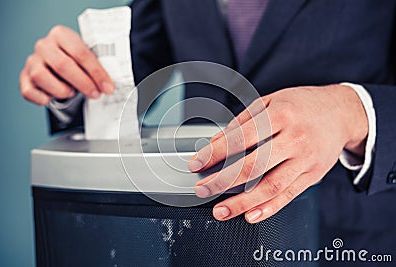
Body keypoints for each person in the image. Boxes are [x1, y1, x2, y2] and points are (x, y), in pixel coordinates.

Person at [20, 0, 396, 264]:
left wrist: (352, 112)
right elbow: (129, 75)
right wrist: (70, 82)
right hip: (200, 237)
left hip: (342, 243)